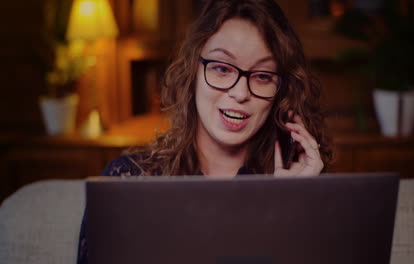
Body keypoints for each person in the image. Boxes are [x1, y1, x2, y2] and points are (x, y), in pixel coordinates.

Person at [77, 0, 332, 263]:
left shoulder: (300, 186)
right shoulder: (127, 180)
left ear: (281, 92)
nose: (240, 93)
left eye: (263, 76)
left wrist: (293, 208)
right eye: (222, 68)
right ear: (192, 72)